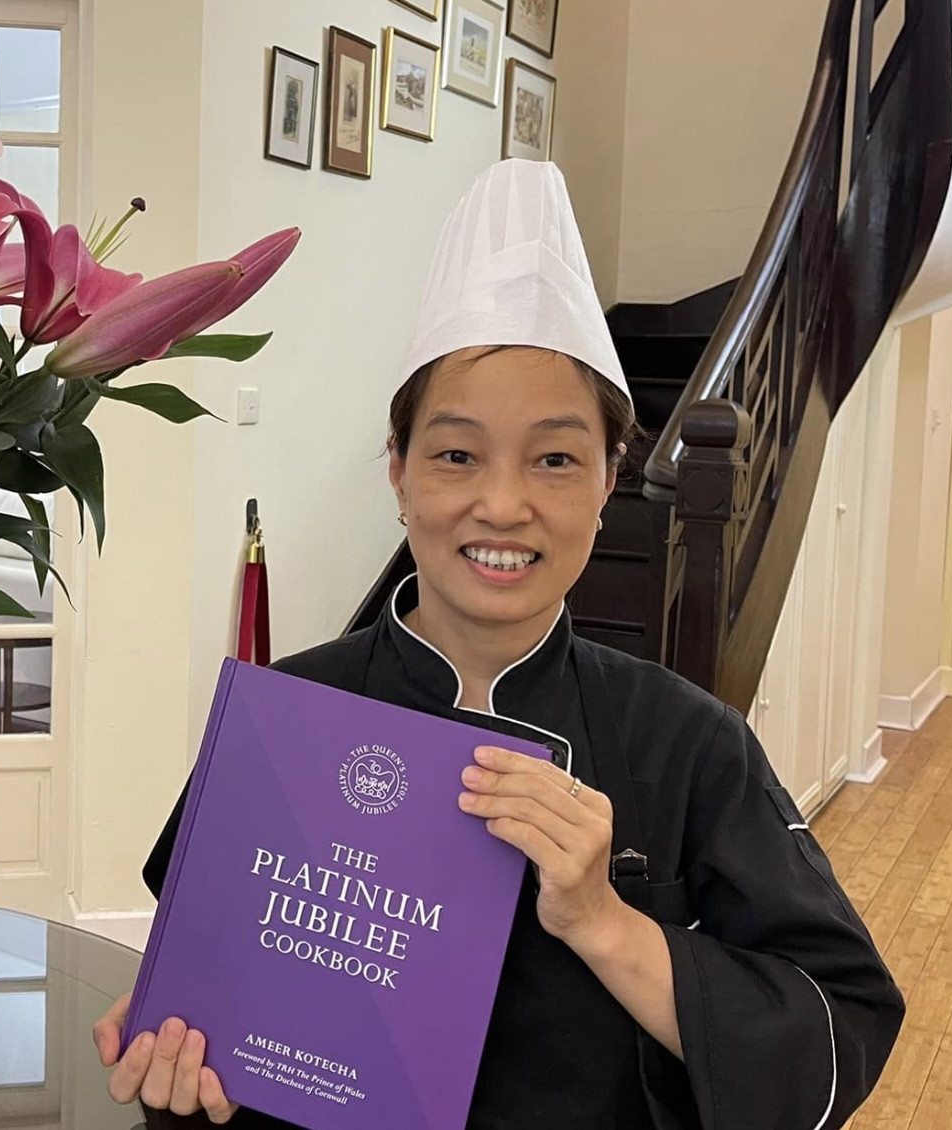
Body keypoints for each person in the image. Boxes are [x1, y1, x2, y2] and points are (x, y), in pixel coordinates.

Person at [91, 159, 904, 1128]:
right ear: (398, 474)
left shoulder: (690, 743)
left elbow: (839, 1027)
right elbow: (214, 1015)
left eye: (555, 457)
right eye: (456, 454)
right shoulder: (285, 721)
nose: (504, 504)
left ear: (608, 480)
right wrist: (182, 1056)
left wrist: (604, 921)